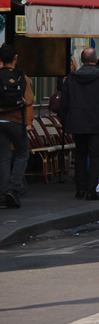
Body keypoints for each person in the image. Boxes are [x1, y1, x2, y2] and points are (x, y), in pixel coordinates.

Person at [59, 47, 99, 201]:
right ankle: (91, 190)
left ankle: (80, 188)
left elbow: (64, 103)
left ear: (81, 60)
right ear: (96, 60)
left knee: (80, 155)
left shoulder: (71, 79)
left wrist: (65, 120)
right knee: (95, 156)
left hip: (77, 122)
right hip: (98, 122)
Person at [0, 43, 33, 208]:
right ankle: (12, 188)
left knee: (3, 158)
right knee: (22, 154)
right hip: (16, 121)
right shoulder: (22, 77)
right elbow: (29, 100)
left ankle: (1, 195)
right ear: (16, 58)